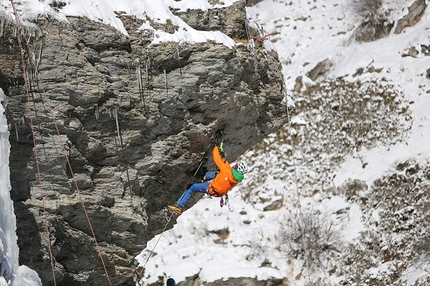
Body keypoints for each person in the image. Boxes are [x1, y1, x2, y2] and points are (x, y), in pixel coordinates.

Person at [167, 144, 248, 215]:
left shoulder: (227, 171)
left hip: (210, 188)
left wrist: (215, 147)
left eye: (236, 165)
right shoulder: (236, 180)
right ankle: (205, 176)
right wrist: (223, 158)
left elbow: (216, 158)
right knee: (217, 174)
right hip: (217, 193)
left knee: (191, 187)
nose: (235, 165)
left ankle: (179, 206)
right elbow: (226, 169)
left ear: (237, 168)